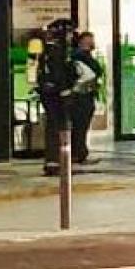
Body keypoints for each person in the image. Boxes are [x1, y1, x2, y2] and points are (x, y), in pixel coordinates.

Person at [35, 17, 77, 175]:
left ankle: (54, 160)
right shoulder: (57, 50)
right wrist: (65, 90)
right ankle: (56, 161)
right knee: (58, 125)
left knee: (53, 125)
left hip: (48, 91)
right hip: (56, 93)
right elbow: (59, 72)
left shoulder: (45, 49)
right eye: (69, 32)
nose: (71, 36)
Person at [66, 30, 105, 169]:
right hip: (81, 96)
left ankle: (79, 152)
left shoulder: (82, 56)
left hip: (85, 95)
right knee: (80, 125)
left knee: (81, 126)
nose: (92, 42)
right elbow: (95, 71)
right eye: (90, 40)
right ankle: (79, 153)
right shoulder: (80, 57)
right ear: (83, 41)